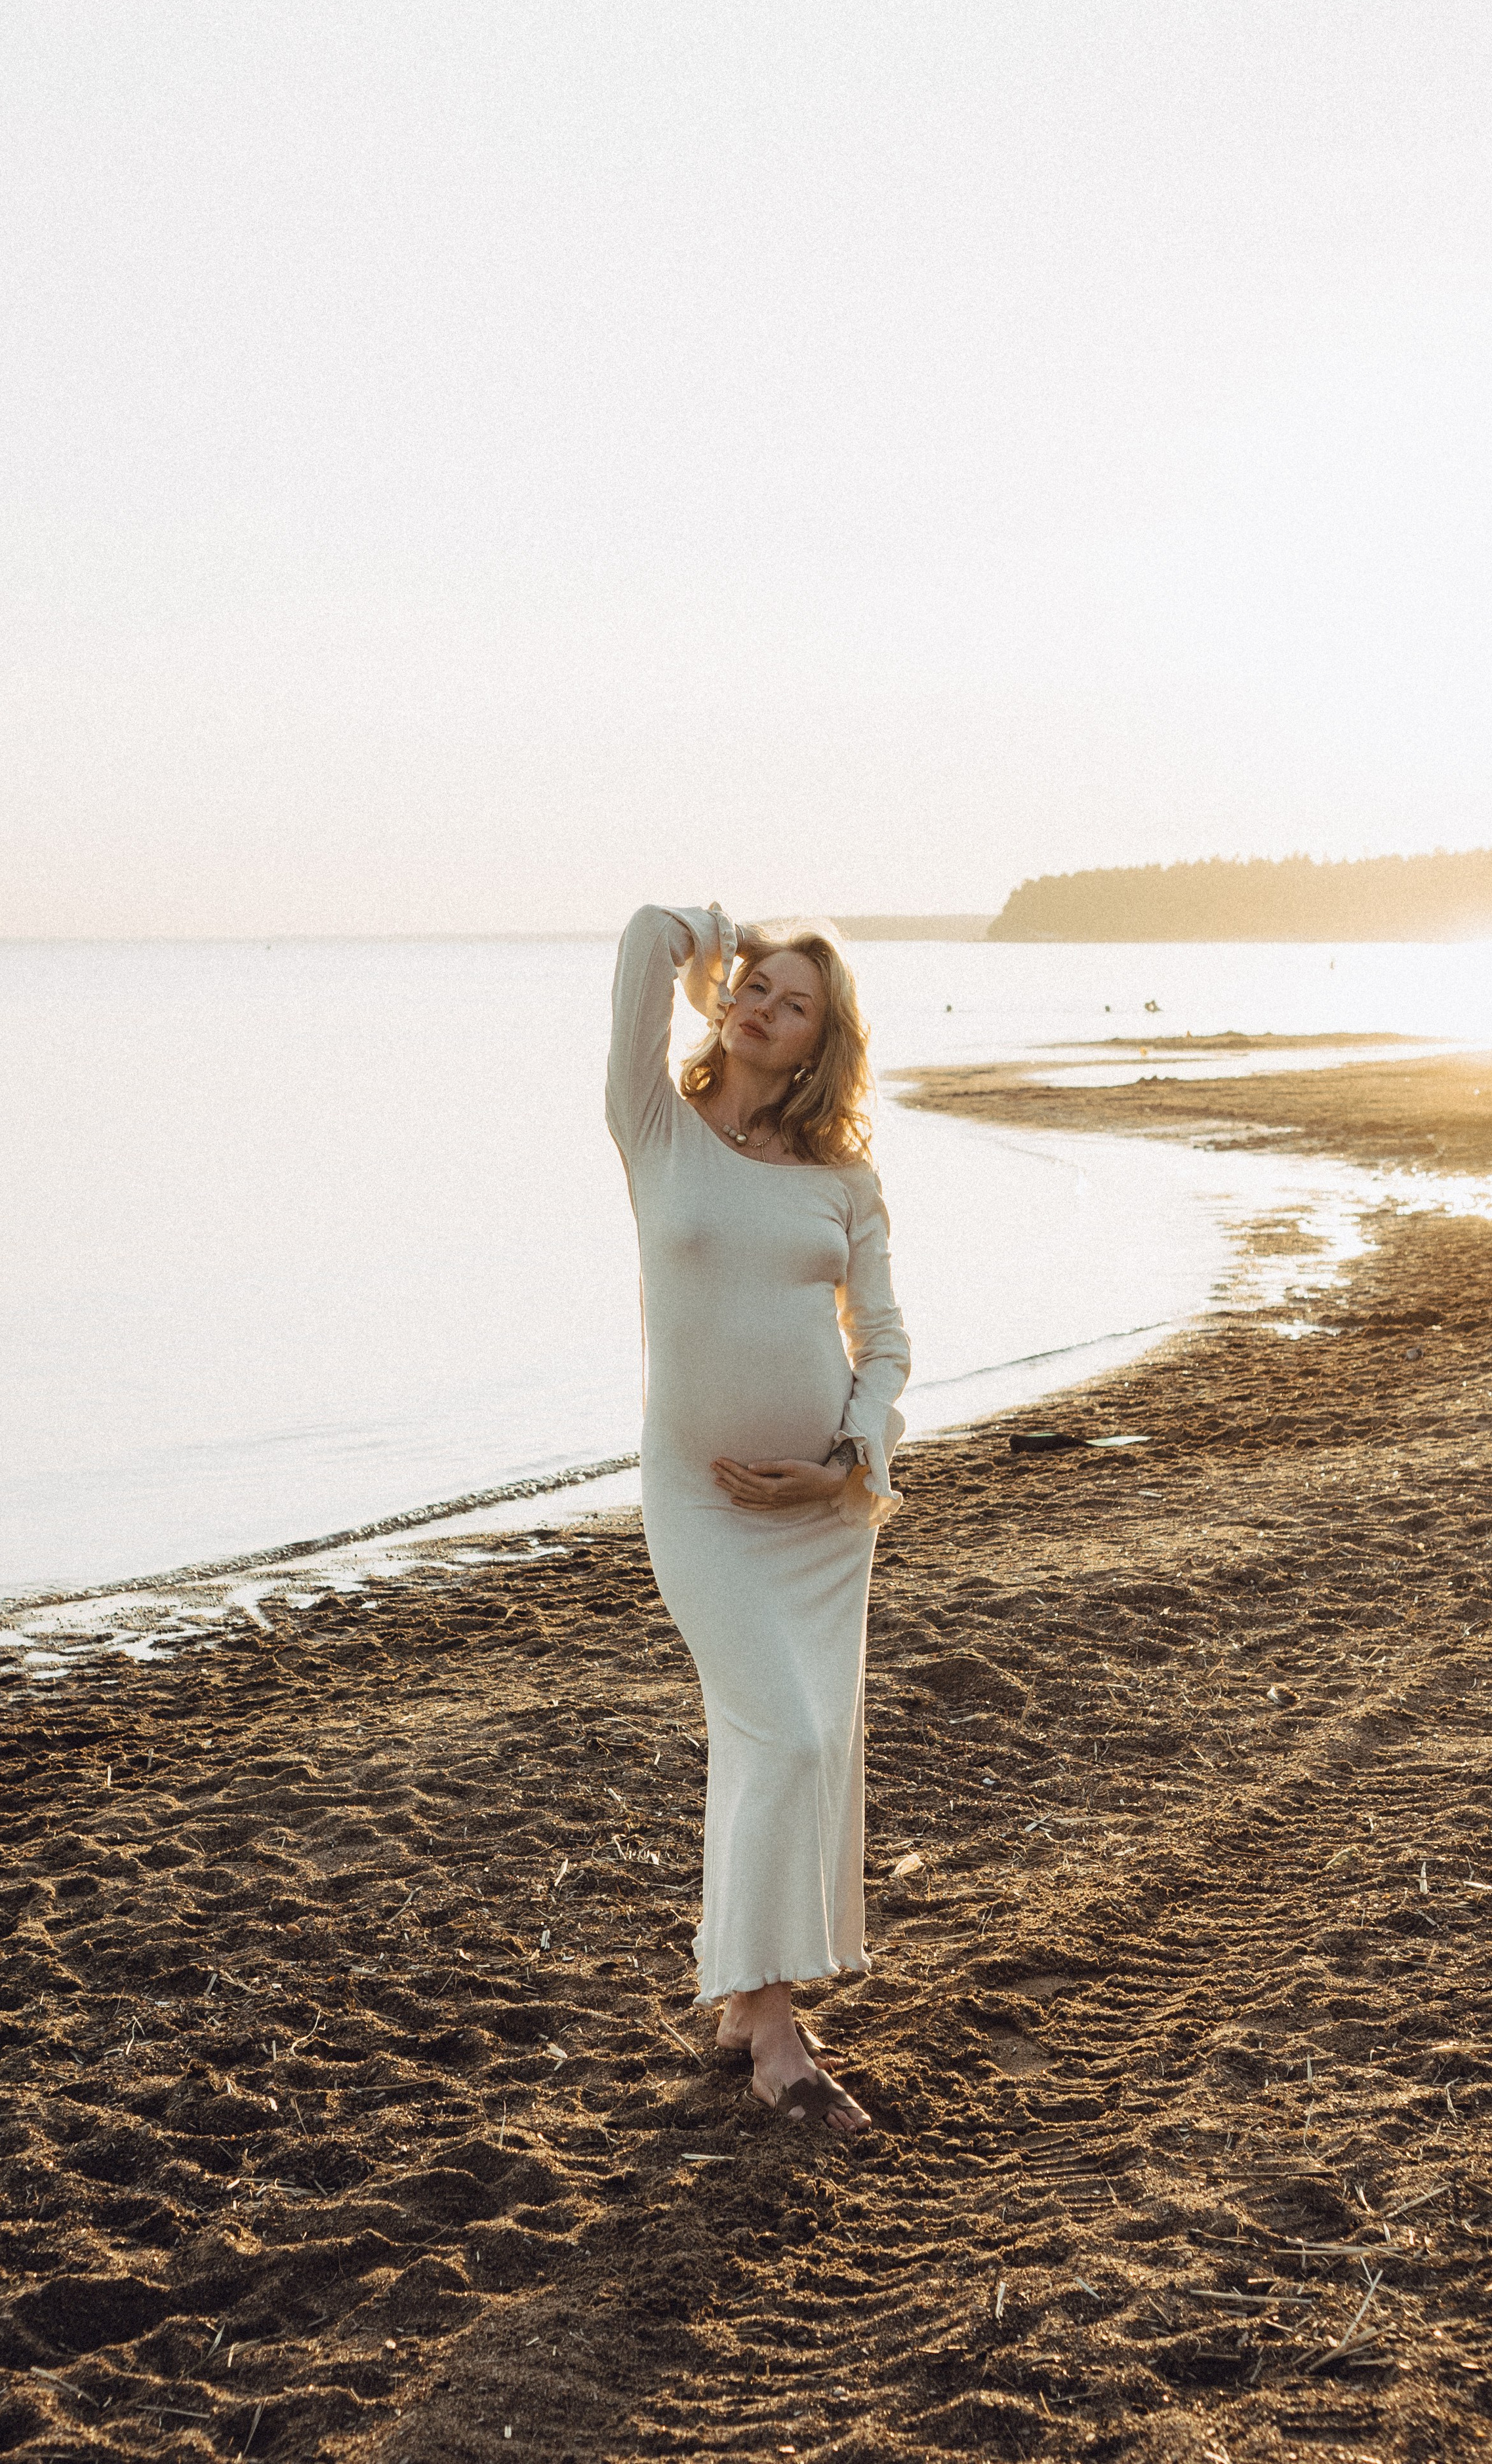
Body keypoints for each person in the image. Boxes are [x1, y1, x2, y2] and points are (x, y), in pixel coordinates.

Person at [606, 904, 910, 2132]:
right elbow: (637, 945)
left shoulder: (846, 1182)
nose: (764, 1010)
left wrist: (846, 1458)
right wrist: (703, 937)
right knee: (781, 1737)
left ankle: (747, 2002)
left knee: (790, 1750)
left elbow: (883, 1346)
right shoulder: (657, 1132)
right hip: (699, 1503)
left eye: (796, 1006)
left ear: (816, 1048)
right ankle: (778, 2035)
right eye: (756, 987)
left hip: (824, 1520)